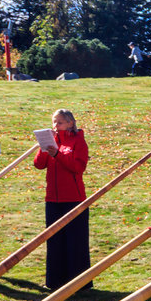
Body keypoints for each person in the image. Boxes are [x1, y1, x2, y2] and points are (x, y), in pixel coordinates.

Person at [35, 109, 91, 290]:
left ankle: (79, 284)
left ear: (70, 123)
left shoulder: (78, 141)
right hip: (53, 198)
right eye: (54, 122)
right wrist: (44, 148)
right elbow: (39, 165)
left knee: (76, 242)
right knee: (54, 240)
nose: (55, 126)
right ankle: (55, 282)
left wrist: (57, 155)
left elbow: (78, 167)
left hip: (74, 198)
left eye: (59, 122)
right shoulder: (53, 141)